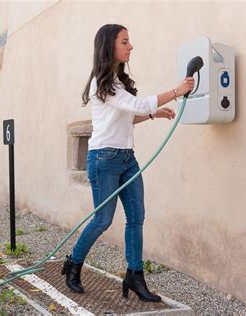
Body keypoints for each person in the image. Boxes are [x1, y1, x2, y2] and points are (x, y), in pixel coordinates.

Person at [61, 24, 195, 302]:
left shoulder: (118, 83)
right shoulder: (103, 82)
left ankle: (135, 276)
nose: (130, 46)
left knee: (136, 218)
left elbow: (128, 115)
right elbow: (136, 105)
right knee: (103, 220)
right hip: (104, 159)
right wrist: (177, 90)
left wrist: (153, 115)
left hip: (126, 159)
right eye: (125, 41)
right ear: (110, 46)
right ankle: (72, 265)